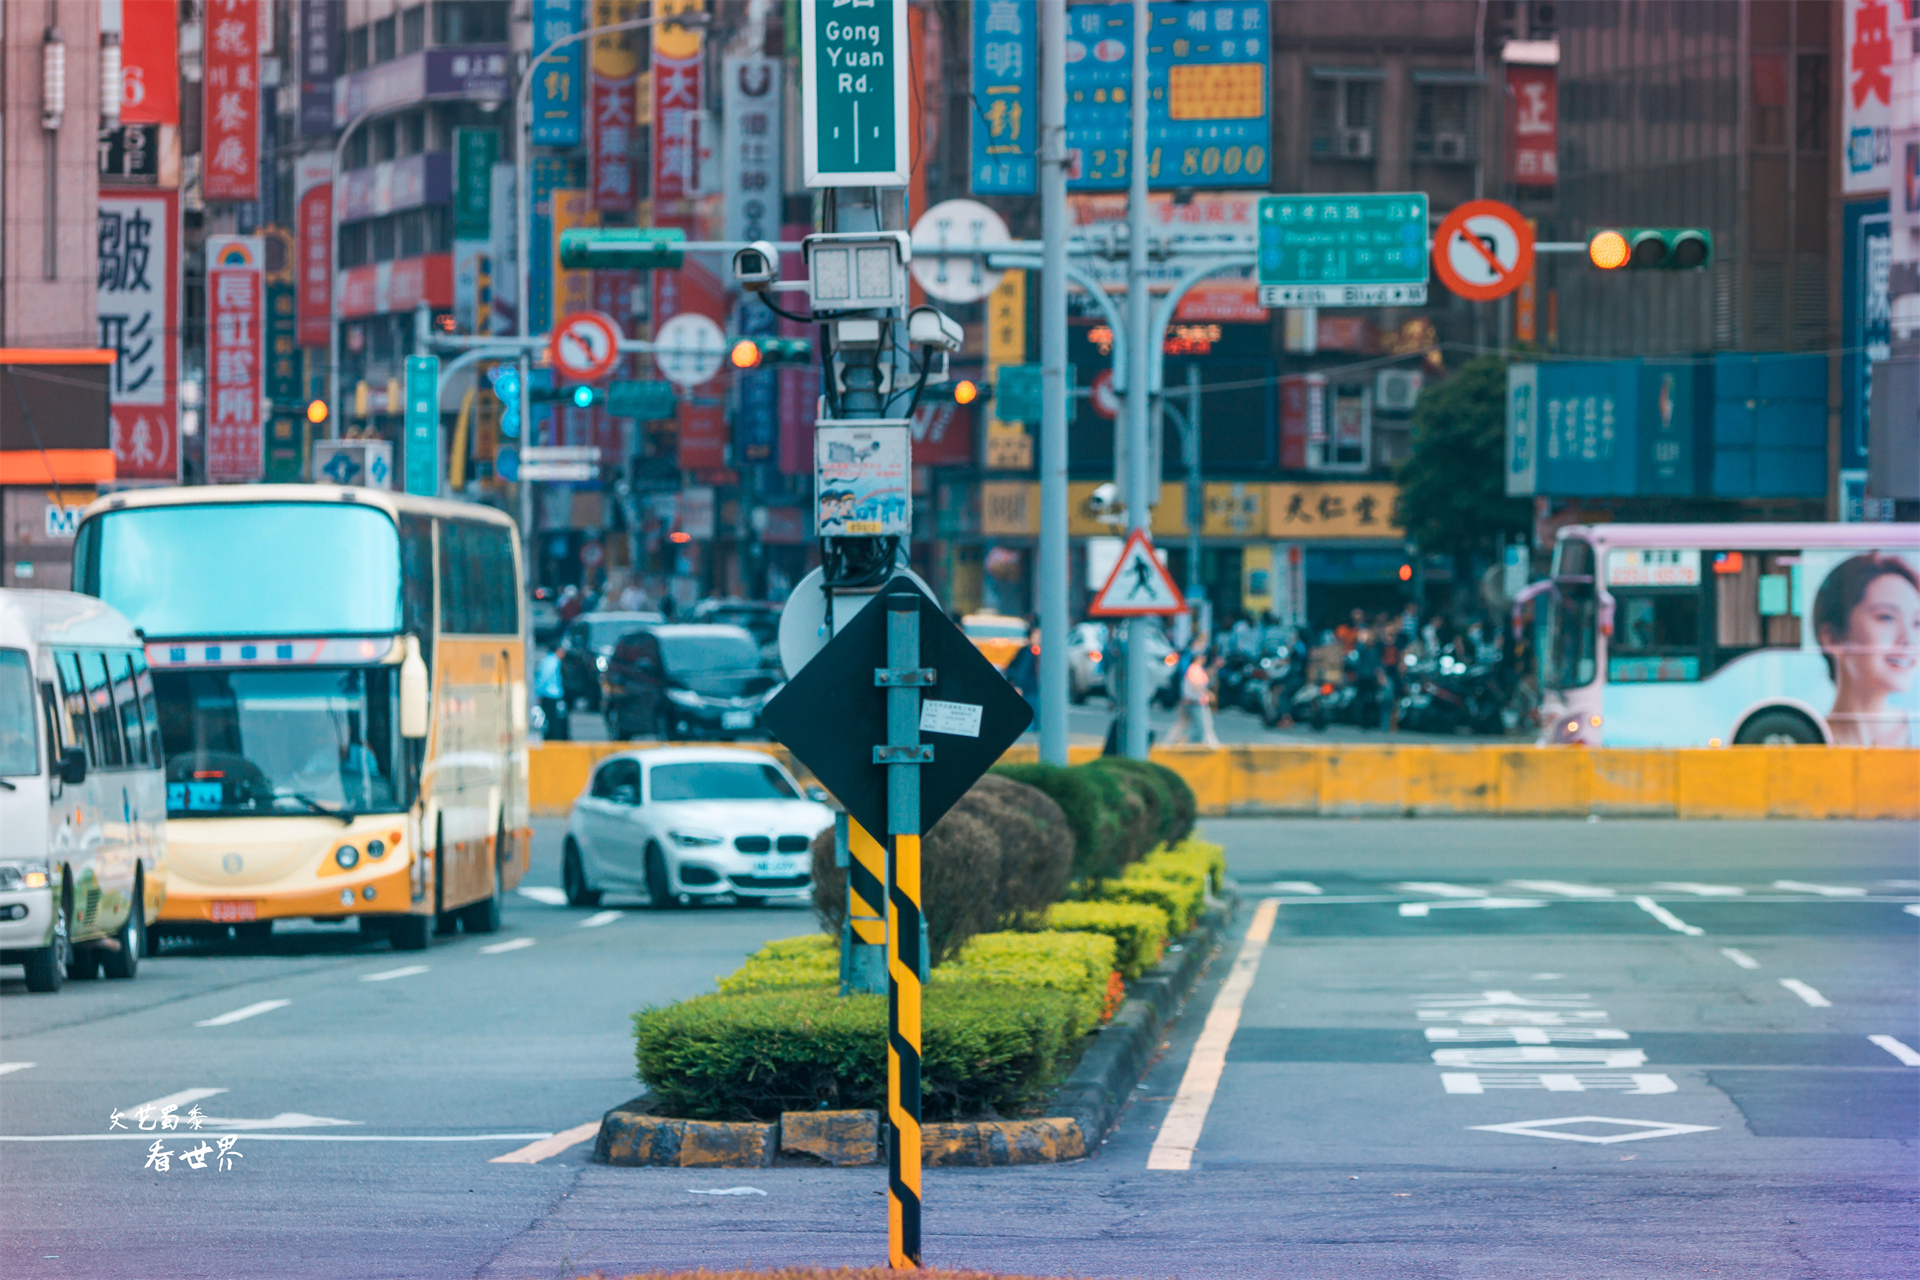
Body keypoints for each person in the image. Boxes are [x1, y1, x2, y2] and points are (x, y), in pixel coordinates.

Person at [1813, 552, 1920, 746]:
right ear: (1832, 637)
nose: (1909, 641)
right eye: (1886, 617)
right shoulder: (1804, 740)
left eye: (1917, 623)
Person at [1162, 636, 1221, 747]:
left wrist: (1215, 667)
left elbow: (1204, 677)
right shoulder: (1194, 669)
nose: (1204, 658)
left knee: (1183, 725)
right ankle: (1188, 744)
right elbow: (1195, 685)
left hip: (1191, 702)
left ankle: (1167, 745)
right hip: (1194, 703)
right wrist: (1207, 693)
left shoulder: (1197, 669)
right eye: (1203, 656)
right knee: (1201, 727)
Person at [534, 648, 569, 742]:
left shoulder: (548, 660)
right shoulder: (553, 662)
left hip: (550, 695)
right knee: (554, 720)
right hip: (551, 696)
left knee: (553, 719)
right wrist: (539, 694)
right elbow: (544, 678)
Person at [1004, 622, 1041, 702]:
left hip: (1032, 689)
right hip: (1028, 690)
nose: (1038, 639)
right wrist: (1019, 686)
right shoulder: (1027, 652)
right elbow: (1022, 669)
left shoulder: (1033, 651)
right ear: (1030, 638)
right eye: (1035, 637)